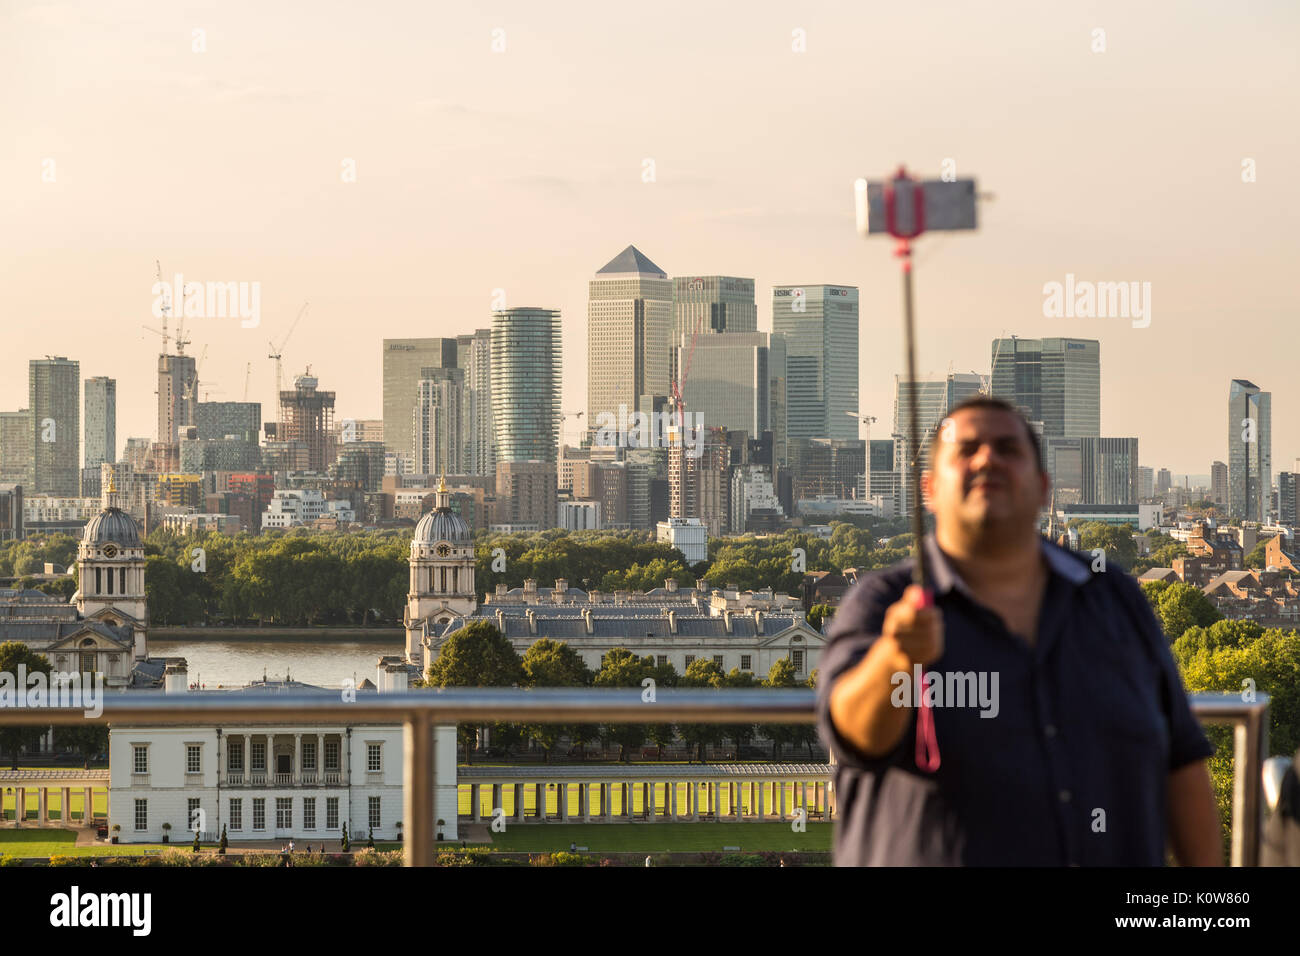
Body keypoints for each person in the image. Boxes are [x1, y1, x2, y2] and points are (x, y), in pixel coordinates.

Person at [817, 395, 1222, 866]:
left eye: (1008, 448)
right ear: (928, 488)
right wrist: (895, 657)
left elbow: (1182, 764)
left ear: (1044, 487)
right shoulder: (882, 603)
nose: (987, 458)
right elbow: (852, 736)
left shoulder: (1115, 598)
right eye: (966, 450)